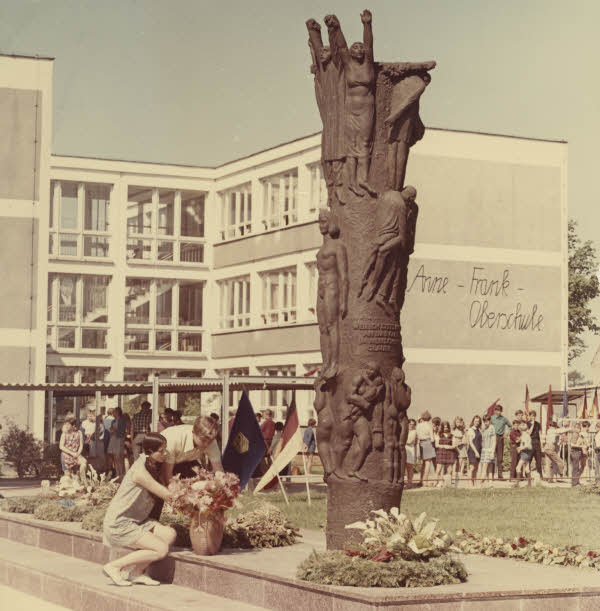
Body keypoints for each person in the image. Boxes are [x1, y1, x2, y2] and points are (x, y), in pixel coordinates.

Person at [102, 433, 176, 587]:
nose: (165, 454)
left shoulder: (152, 464)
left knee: (169, 534)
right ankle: (114, 566)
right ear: (149, 452)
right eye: (161, 451)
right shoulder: (140, 472)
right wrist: (195, 497)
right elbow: (166, 495)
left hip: (136, 521)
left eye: (166, 450)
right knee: (161, 549)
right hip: (120, 524)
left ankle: (136, 573)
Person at [325, 11, 377, 197]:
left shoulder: (368, 65)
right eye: (356, 47)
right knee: (351, 146)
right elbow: (341, 45)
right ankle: (352, 182)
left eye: (361, 47)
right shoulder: (348, 64)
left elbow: (370, 44)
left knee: (363, 143)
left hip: (366, 109)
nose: (359, 49)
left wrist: (367, 25)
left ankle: (362, 180)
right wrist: (336, 27)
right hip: (350, 110)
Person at [160, 415, 223, 484]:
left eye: (210, 441)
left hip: (184, 461)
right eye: (203, 440)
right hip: (160, 461)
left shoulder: (210, 440)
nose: (207, 444)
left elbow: (219, 471)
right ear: (193, 432)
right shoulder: (174, 439)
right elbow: (167, 476)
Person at [59, 415, 87, 482]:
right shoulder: (64, 434)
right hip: (66, 456)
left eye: (68, 424)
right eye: (65, 424)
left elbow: (81, 445)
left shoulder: (79, 433)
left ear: (73, 425)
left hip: (76, 454)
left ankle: (83, 480)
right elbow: (61, 446)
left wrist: (78, 453)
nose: (66, 426)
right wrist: (72, 453)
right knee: (67, 476)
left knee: (84, 462)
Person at [490, 404, 511, 479]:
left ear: (501, 411)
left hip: (500, 438)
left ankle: (500, 475)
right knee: (491, 457)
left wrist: (506, 433)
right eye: (496, 410)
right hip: (492, 438)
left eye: (499, 410)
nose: (498, 412)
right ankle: (491, 475)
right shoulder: (491, 418)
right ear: (495, 411)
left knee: (500, 458)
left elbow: (510, 426)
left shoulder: (504, 419)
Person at [416, 411, 435, 486]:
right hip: (428, 442)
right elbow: (432, 438)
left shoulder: (418, 425)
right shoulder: (429, 425)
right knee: (427, 464)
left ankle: (421, 480)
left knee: (423, 463)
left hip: (421, 443)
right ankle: (425, 481)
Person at [434, 421, 455, 487]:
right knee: (438, 470)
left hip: (449, 453)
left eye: (447, 427)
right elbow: (436, 445)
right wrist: (443, 446)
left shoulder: (452, 435)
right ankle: (436, 483)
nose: (446, 428)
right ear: (442, 427)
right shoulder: (438, 435)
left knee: (450, 470)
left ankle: (448, 484)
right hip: (441, 453)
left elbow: (454, 445)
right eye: (444, 427)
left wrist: (448, 447)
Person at [108, 407, 127, 481]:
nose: (113, 413)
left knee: (119, 457)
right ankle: (117, 473)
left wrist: (114, 431)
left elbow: (122, 432)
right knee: (115, 457)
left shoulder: (122, 420)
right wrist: (112, 430)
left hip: (119, 440)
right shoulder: (113, 421)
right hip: (113, 439)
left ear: (118, 412)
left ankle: (122, 474)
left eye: (114, 412)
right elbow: (111, 429)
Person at [479, 414, 496, 487]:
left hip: (489, 450)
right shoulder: (484, 429)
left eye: (487, 421)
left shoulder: (492, 428)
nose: (486, 423)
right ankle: (489, 484)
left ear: (489, 421)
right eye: (485, 421)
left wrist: (492, 452)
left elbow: (494, 440)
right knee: (487, 467)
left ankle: (480, 484)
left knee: (485, 468)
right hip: (484, 450)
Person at [514, 421, 532, 487]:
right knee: (527, 468)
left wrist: (521, 448)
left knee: (518, 467)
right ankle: (529, 484)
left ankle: (517, 484)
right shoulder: (524, 436)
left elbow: (528, 446)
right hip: (525, 453)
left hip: (525, 454)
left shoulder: (526, 436)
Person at [467, 415, 482, 487]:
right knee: (472, 468)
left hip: (479, 451)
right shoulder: (470, 430)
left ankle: (475, 483)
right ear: (473, 421)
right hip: (473, 451)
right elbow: (470, 442)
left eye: (478, 421)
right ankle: (470, 484)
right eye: (475, 421)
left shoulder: (479, 430)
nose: (477, 422)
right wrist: (476, 452)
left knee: (476, 468)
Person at [527, 410, 543, 478]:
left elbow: (540, 434)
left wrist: (541, 444)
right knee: (529, 460)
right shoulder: (527, 423)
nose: (533, 417)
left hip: (537, 442)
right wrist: (532, 425)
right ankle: (528, 475)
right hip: (530, 442)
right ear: (529, 416)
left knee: (538, 460)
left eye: (534, 416)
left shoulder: (538, 424)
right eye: (531, 416)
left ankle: (540, 475)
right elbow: (529, 433)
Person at [570, 422, 586, 487]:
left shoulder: (578, 434)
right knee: (575, 468)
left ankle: (576, 481)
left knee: (576, 467)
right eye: (579, 428)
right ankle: (574, 483)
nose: (580, 429)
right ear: (576, 428)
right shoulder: (575, 434)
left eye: (580, 428)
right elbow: (572, 444)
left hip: (577, 452)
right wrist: (581, 447)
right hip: (575, 452)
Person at [452, 416, 467, 482]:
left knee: (462, 460)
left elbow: (465, 440)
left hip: (461, 446)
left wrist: (461, 442)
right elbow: (452, 439)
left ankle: (461, 472)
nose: (458, 423)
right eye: (457, 422)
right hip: (455, 446)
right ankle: (454, 472)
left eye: (459, 422)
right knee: (455, 460)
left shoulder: (463, 431)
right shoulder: (453, 431)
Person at [404, 418, 417, 487]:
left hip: (410, 449)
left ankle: (410, 482)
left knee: (410, 467)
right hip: (404, 449)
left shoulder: (414, 432)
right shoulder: (404, 430)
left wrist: (403, 441)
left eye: (413, 424)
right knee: (403, 467)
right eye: (410, 424)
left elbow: (410, 441)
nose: (411, 426)